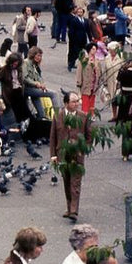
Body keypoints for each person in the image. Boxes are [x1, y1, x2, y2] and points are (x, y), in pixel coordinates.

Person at [50, 91, 94, 222]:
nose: (77, 104)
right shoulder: (58, 116)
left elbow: (89, 137)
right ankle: (69, 207)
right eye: (74, 101)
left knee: (75, 183)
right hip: (63, 155)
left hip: (77, 155)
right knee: (66, 182)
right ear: (66, 103)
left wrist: (83, 149)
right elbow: (53, 137)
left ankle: (74, 210)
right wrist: (53, 155)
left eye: (78, 101)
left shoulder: (84, 116)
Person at [0, 52, 33, 131]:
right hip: (10, 93)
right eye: (13, 64)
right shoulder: (4, 69)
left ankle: (29, 124)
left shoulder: (19, 69)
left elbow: (22, 80)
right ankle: (22, 125)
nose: (14, 66)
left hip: (19, 91)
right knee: (17, 110)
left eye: (16, 64)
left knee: (25, 110)